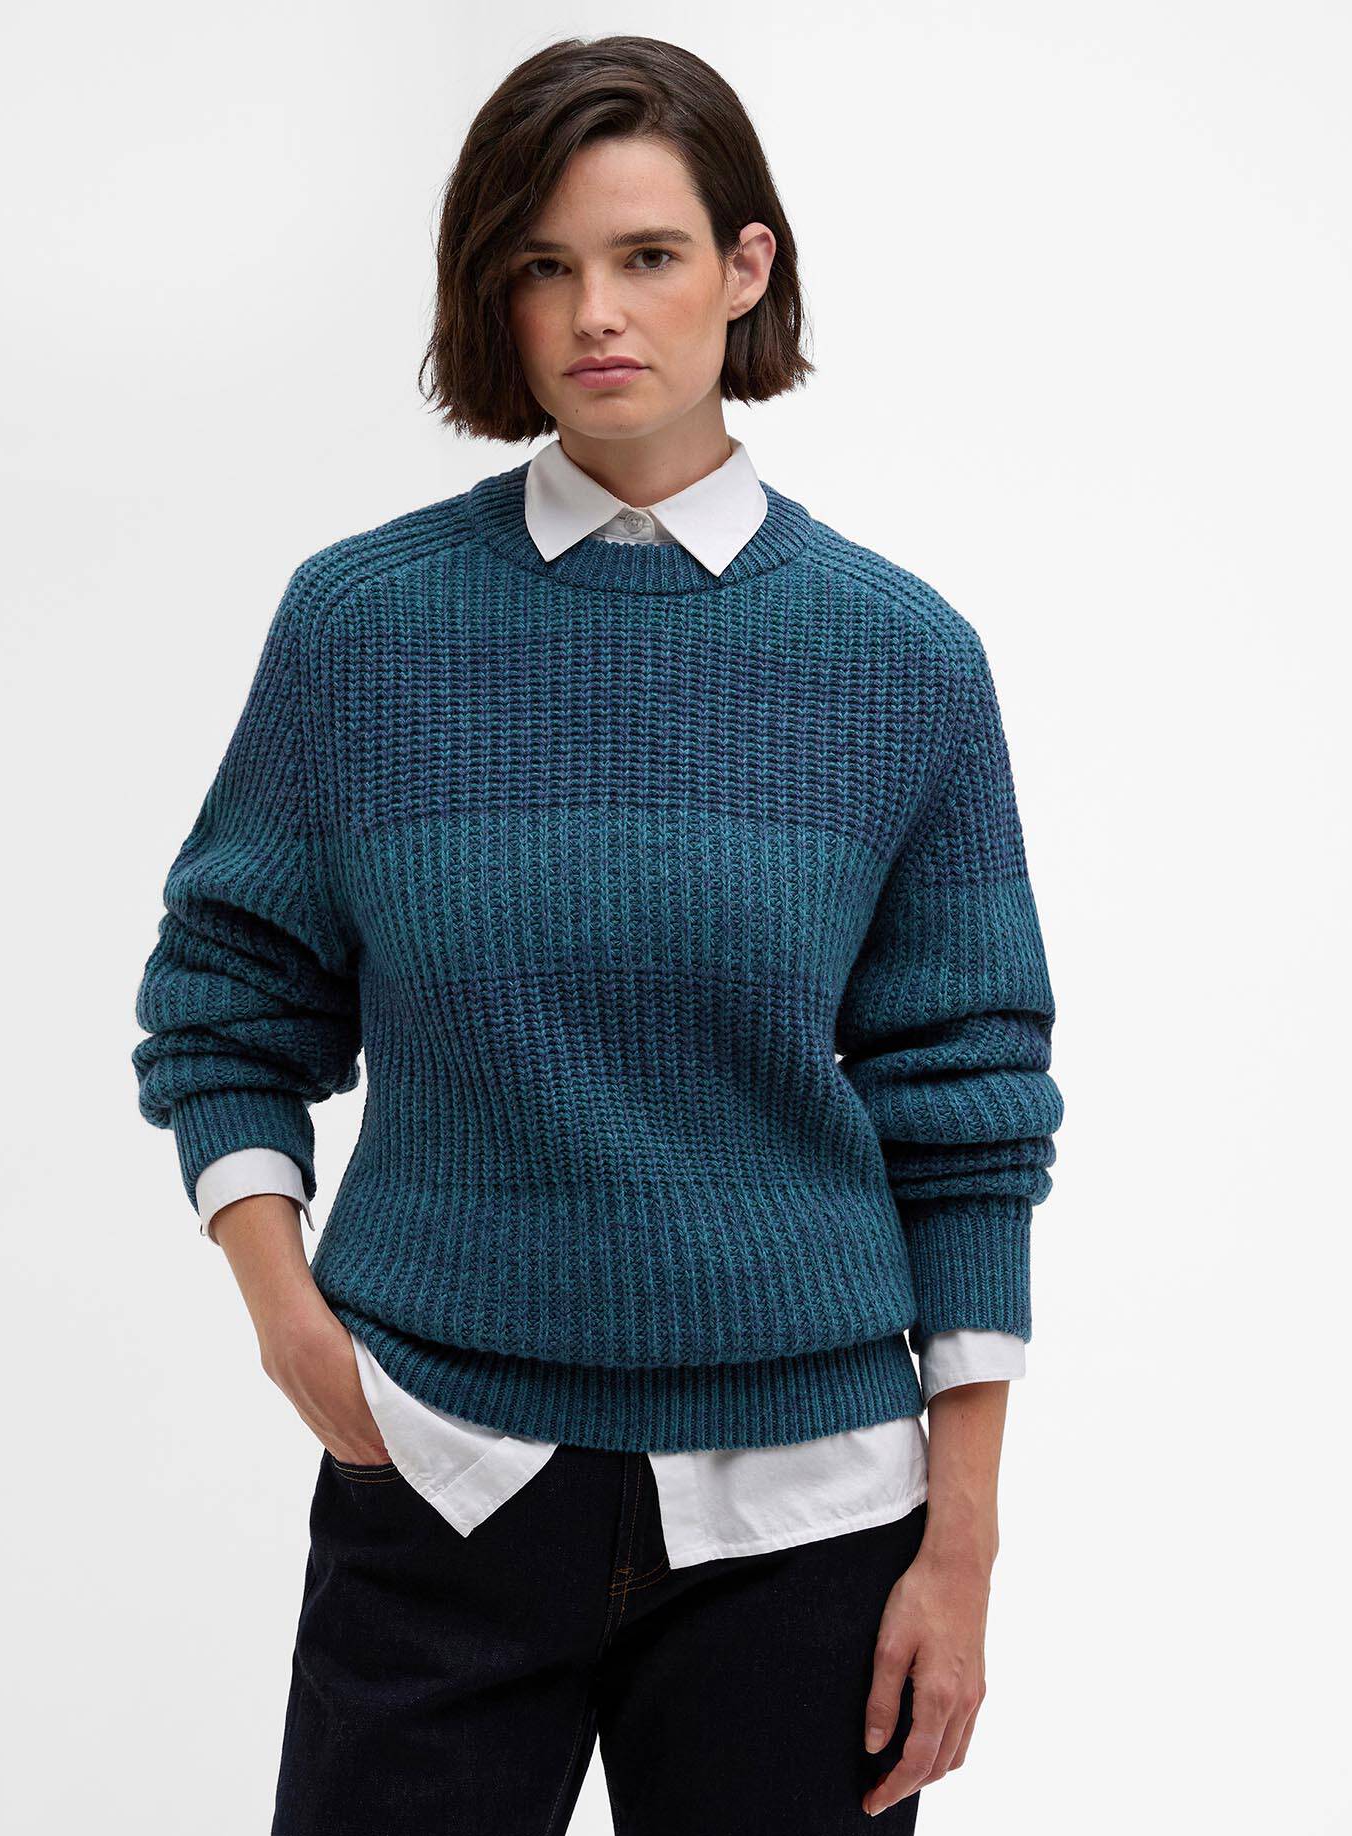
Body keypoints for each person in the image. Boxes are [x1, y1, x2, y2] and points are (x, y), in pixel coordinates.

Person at [131, 34, 1063, 1835]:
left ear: (746, 267)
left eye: (646, 255)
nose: (594, 314)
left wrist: (963, 1546)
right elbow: (226, 998)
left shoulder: (902, 660)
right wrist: (287, 1317)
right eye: (543, 267)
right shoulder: (361, 627)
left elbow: (968, 1109)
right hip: (443, 1474)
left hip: (810, 1518)